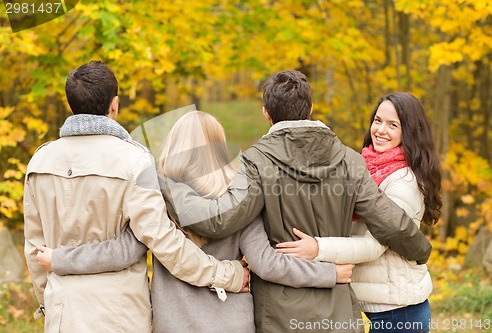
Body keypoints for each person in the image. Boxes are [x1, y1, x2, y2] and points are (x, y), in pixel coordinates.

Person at [36, 111, 354, 333]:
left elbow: (124, 251)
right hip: (232, 323)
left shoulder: (155, 195)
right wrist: (328, 273)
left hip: (172, 324)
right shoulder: (242, 197)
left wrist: (60, 258)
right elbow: (267, 263)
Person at [164, 70, 433, 332]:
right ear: (311, 108)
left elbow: (220, 220)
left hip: (281, 315)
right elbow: (390, 222)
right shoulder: (349, 159)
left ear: (266, 113)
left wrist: (164, 180)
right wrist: (421, 251)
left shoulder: (256, 162)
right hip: (335, 309)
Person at [23, 61, 249, 333]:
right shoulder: (134, 161)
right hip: (121, 316)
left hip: (62, 313)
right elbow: (165, 242)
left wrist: (49, 302)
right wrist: (227, 275)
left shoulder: (40, 161)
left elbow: (35, 249)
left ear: (71, 103)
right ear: (115, 104)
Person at [275, 92, 442, 333]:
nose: (380, 130)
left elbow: (374, 246)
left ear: (410, 132)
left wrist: (318, 248)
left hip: (400, 311)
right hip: (380, 305)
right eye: (377, 120)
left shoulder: (403, 181)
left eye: (393, 125)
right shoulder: (365, 166)